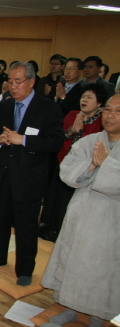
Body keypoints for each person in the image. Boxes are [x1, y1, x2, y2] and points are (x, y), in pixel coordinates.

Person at [41, 94, 120, 327]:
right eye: (107, 109)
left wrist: (104, 165)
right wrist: (92, 166)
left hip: (110, 217)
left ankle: (97, 320)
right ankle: (70, 309)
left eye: (118, 111)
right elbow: (67, 171)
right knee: (73, 260)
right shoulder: (90, 140)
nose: (110, 115)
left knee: (102, 269)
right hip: (81, 210)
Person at [0, 62, 64, 286]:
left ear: (31, 82)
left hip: (29, 178)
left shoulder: (47, 108)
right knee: (1, 220)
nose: (13, 86)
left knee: (26, 226)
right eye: (10, 81)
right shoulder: (6, 105)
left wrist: (24, 140)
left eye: (18, 82)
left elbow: (55, 141)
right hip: (5, 173)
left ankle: (25, 269)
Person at [39, 84, 105, 242]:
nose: (84, 100)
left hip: (84, 168)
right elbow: (59, 137)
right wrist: (73, 130)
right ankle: (47, 226)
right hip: (63, 161)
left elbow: (93, 145)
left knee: (67, 201)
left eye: (90, 97)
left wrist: (81, 131)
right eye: (83, 96)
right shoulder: (73, 114)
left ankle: (62, 230)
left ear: (99, 103)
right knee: (53, 196)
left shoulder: (101, 122)